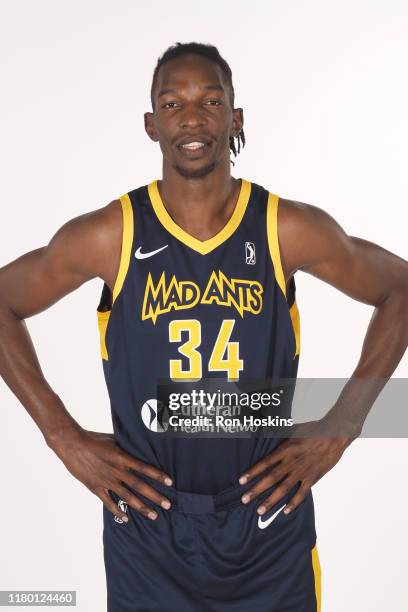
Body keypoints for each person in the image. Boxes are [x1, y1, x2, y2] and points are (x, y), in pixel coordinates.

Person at [1, 41, 407, 612]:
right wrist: (60, 435)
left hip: (267, 519)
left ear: (235, 117)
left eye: (210, 101)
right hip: (147, 527)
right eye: (172, 104)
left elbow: (400, 287)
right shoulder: (111, 235)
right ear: (151, 124)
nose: (192, 118)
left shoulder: (282, 227)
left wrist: (343, 424)